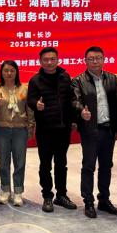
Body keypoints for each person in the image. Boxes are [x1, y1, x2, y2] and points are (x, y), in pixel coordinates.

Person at [72, 46, 117, 218]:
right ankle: (88, 201)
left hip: (108, 129)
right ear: (85, 61)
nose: (95, 61)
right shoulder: (78, 80)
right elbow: (75, 100)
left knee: (106, 166)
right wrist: (81, 111)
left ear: (104, 59)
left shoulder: (111, 78)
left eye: (98, 58)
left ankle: (104, 200)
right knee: (89, 166)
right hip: (90, 130)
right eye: (91, 59)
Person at [27, 47, 77, 213]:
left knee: (61, 163)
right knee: (45, 165)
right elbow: (30, 100)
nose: (49, 62)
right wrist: (36, 104)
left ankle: (61, 195)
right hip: (45, 130)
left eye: (52, 59)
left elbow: (70, 100)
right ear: (40, 61)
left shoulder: (65, 77)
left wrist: (73, 120)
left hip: (63, 129)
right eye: (46, 60)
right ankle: (47, 196)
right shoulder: (35, 80)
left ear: (57, 60)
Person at [0, 60, 34, 206]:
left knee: (19, 162)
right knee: (4, 162)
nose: (9, 73)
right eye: (6, 70)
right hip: (2, 129)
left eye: (12, 70)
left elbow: (29, 109)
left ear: (16, 72)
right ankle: (5, 190)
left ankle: (18, 192)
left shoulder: (24, 89)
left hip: (20, 129)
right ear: (1, 72)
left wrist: (31, 126)